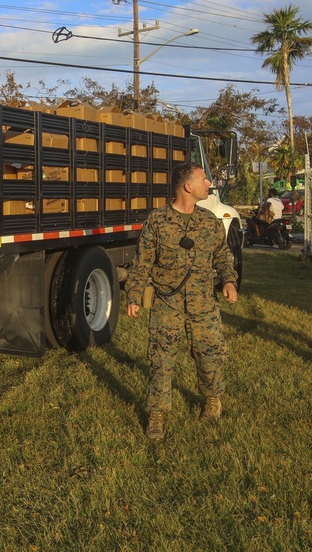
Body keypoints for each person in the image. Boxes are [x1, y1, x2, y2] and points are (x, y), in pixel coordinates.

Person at [126, 162, 239, 440]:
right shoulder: (157, 220)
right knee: (160, 361)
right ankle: (157, 415)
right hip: (168, 303)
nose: (209, 184)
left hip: (203, 303)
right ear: (188, 186)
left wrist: (228, 280)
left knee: (209, 355)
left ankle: (212, 400)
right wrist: (133, 295)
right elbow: (143, 262)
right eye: (204, 180)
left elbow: (223, 255)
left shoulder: (209, 221)